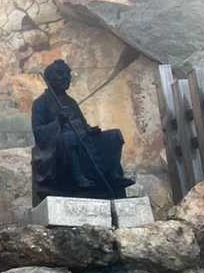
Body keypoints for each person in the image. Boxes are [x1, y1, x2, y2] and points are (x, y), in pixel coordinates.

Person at [30, 59, 134, 205]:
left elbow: (83, 125)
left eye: (67, 74)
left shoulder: (71, 102)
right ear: (49, 78)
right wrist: (58, 122)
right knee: (68, 138)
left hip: (82, 139)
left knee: (114, 136)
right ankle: (78, 177)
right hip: (58, 148)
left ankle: (114, 174)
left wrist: (90, 130)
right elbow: (38, 133)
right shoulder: (40, 103)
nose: (65, 77)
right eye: (60, 74)